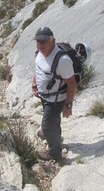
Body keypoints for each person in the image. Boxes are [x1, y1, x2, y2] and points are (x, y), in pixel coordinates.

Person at [31, 26, 76, 161]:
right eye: (38, 41)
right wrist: (34, 83)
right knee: (53, 122)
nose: (40, 44)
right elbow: (38, 67)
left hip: (56, 99)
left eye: (43, 41)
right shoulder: (40, 52)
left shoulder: (63, 60)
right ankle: (56, 139)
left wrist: (68, 105)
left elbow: (71, 83)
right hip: (45, 96)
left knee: (46, 126)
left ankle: (54, 153)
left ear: (53, 41)